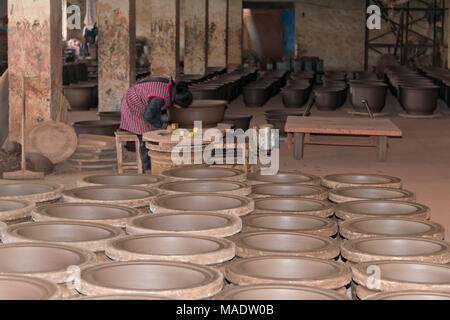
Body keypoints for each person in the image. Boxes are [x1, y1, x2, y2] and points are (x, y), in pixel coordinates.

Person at [120, 77, 193, 172]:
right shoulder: (160, 98)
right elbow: (148, 116)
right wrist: (164, 126)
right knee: (146, 138)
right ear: (176, 103)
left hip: (144, 102)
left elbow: (154, 110)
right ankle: (148, 169)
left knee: (155, 130)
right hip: (134, 105)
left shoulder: (172, 87)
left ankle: (155, 163)